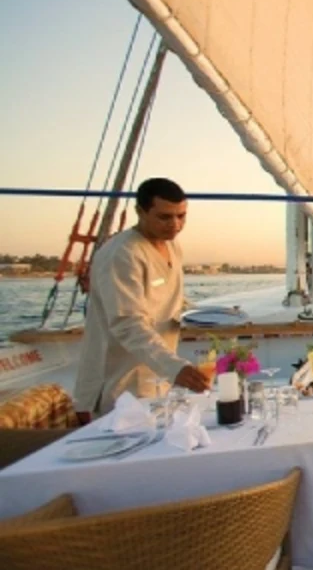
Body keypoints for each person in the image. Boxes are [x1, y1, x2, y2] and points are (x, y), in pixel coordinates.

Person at [74, 178, 211, 417]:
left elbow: (168, 299)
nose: (175, 225)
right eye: (165, 217)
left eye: (181, 216)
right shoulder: (122, 254)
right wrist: (175, 367)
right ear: (140, 212)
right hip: (118, 384)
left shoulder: (172, 246)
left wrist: (208, 316)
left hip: (156, 380)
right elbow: (127, 323)